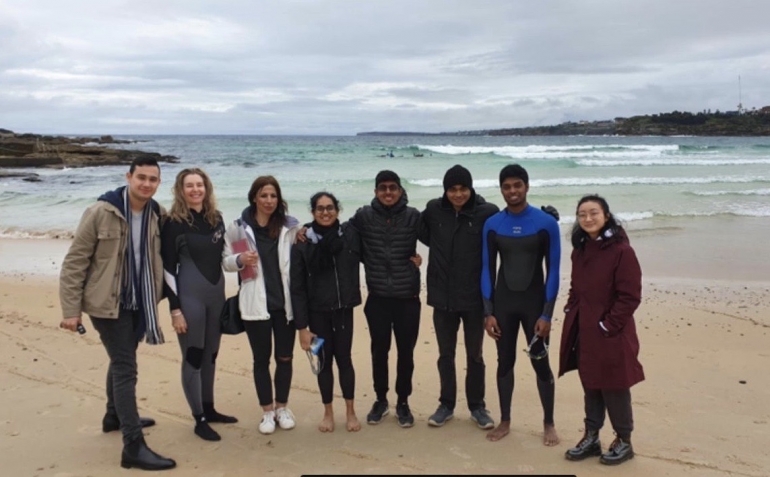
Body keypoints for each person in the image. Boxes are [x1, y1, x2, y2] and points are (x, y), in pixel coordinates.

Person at [59, 155, 176, 471]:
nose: (146, 184)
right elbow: (75, 262)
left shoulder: (156, 213)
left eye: (153, 179)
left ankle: (113, 415)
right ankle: (133, 445)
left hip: (142, 303)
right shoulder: (101, 212)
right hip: (107, 304)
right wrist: (71, 311)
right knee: (126, 366)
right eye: (141, 177)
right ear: (128, 177)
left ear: (158, 183)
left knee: (121, 358)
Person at [560, 194, 644, 466]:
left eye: (593, 213)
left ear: (606, 216)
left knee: (614, 385)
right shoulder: (580, 250)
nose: (587, 218)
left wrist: (608, 324)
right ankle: (592, 436)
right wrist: (572, 309)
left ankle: (624, 440)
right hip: (584, 328)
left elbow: (630, 296)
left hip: (612, 332)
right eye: (582, 214)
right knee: (591, 384)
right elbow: (576, 287)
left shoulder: (622, 251)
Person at [481, 164, 561, 445]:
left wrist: (547, 314)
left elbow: (553, 270)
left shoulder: (546, 223)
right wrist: (488, 313)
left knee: (541, 364)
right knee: (505, 362)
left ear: (527, 186)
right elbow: (487, 270)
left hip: (534, 305)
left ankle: (548, 423)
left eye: (517, 185)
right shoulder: (493, 225)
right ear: (501, 189)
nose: (512, 191)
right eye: (506, 186)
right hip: (503, 305)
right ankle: (505, 420)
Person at [418, 165, 498, 430]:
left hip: (474, 298)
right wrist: (410, 255)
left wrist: (545, 217)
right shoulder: (433, 210)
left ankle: (477, 406)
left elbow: (511, 229)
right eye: (452, 189)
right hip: (442, 296)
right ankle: (446, 405)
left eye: (463, 188)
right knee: (445, 354)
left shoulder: (487, 213)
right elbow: (409, 228)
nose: (458, 194)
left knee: (475, 354)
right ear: (445, 190)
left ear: (470, 188)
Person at [161, 168, 237, 442]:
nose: (195, 190)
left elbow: (228, 255)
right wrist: (175, 310)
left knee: (211, 356)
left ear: (207, 188)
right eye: (189, 185)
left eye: (199, 185)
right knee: (193, 356)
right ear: (180, 190)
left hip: (216, 297)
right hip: (189, 299)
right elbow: (168, 269)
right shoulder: (172, 222)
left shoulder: (215, 218)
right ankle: (199, 419)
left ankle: (210, 408)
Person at [222, 175, 300, 435]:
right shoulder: (238, 228)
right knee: (261, 360)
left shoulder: (290, 227)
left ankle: (282, 407)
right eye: (264, 195)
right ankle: (267, 412)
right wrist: (241, 259)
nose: (269, 200)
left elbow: (303, 259)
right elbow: (226, 261)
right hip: (255, 305)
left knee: (285, 358)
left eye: (273, 196)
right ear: (254, 197)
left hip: (285, 304)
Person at [349, 170, 422, 428]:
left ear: (400, 190)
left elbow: (442, 235)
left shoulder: (413, 216)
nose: (388, 192)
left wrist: (420, 260)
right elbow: (338, 232)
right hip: (378, 298)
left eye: (393, 188)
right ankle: (380, 400)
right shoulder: (364, 217)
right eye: (383, 188)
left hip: (407, 298)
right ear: (376, 192)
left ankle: (403, 402)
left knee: (406, 353)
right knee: (379, 352)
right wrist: (304, 231)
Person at [290, 192, 362, 433]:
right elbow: (297, 287)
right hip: (316, 313)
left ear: (337, 210)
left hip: (343, 311)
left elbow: (379, 248)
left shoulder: (350, 234)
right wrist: (302, 327)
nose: (325, 212)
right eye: (319, 208)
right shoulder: (302, 242)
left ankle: (350, 411)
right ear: (313, 212)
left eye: (330, 207)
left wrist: (412, 259)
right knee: (322, 363)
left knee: (345, 360)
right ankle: (328, 412)